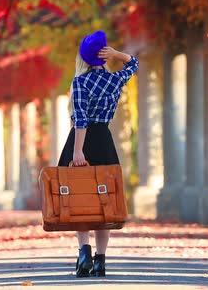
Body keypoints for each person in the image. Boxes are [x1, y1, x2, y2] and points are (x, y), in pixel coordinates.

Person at [57, 30, 138, 277]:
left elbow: (80, 119)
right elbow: (133, 64)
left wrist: (78, 151)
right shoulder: (115, 80)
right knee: (104, 201)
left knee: (78, 197)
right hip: (104, 141)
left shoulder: (79, 83)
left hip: (82, 141)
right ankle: (100, 260)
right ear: (102, 57)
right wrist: (117, 54)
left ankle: (84, 253)